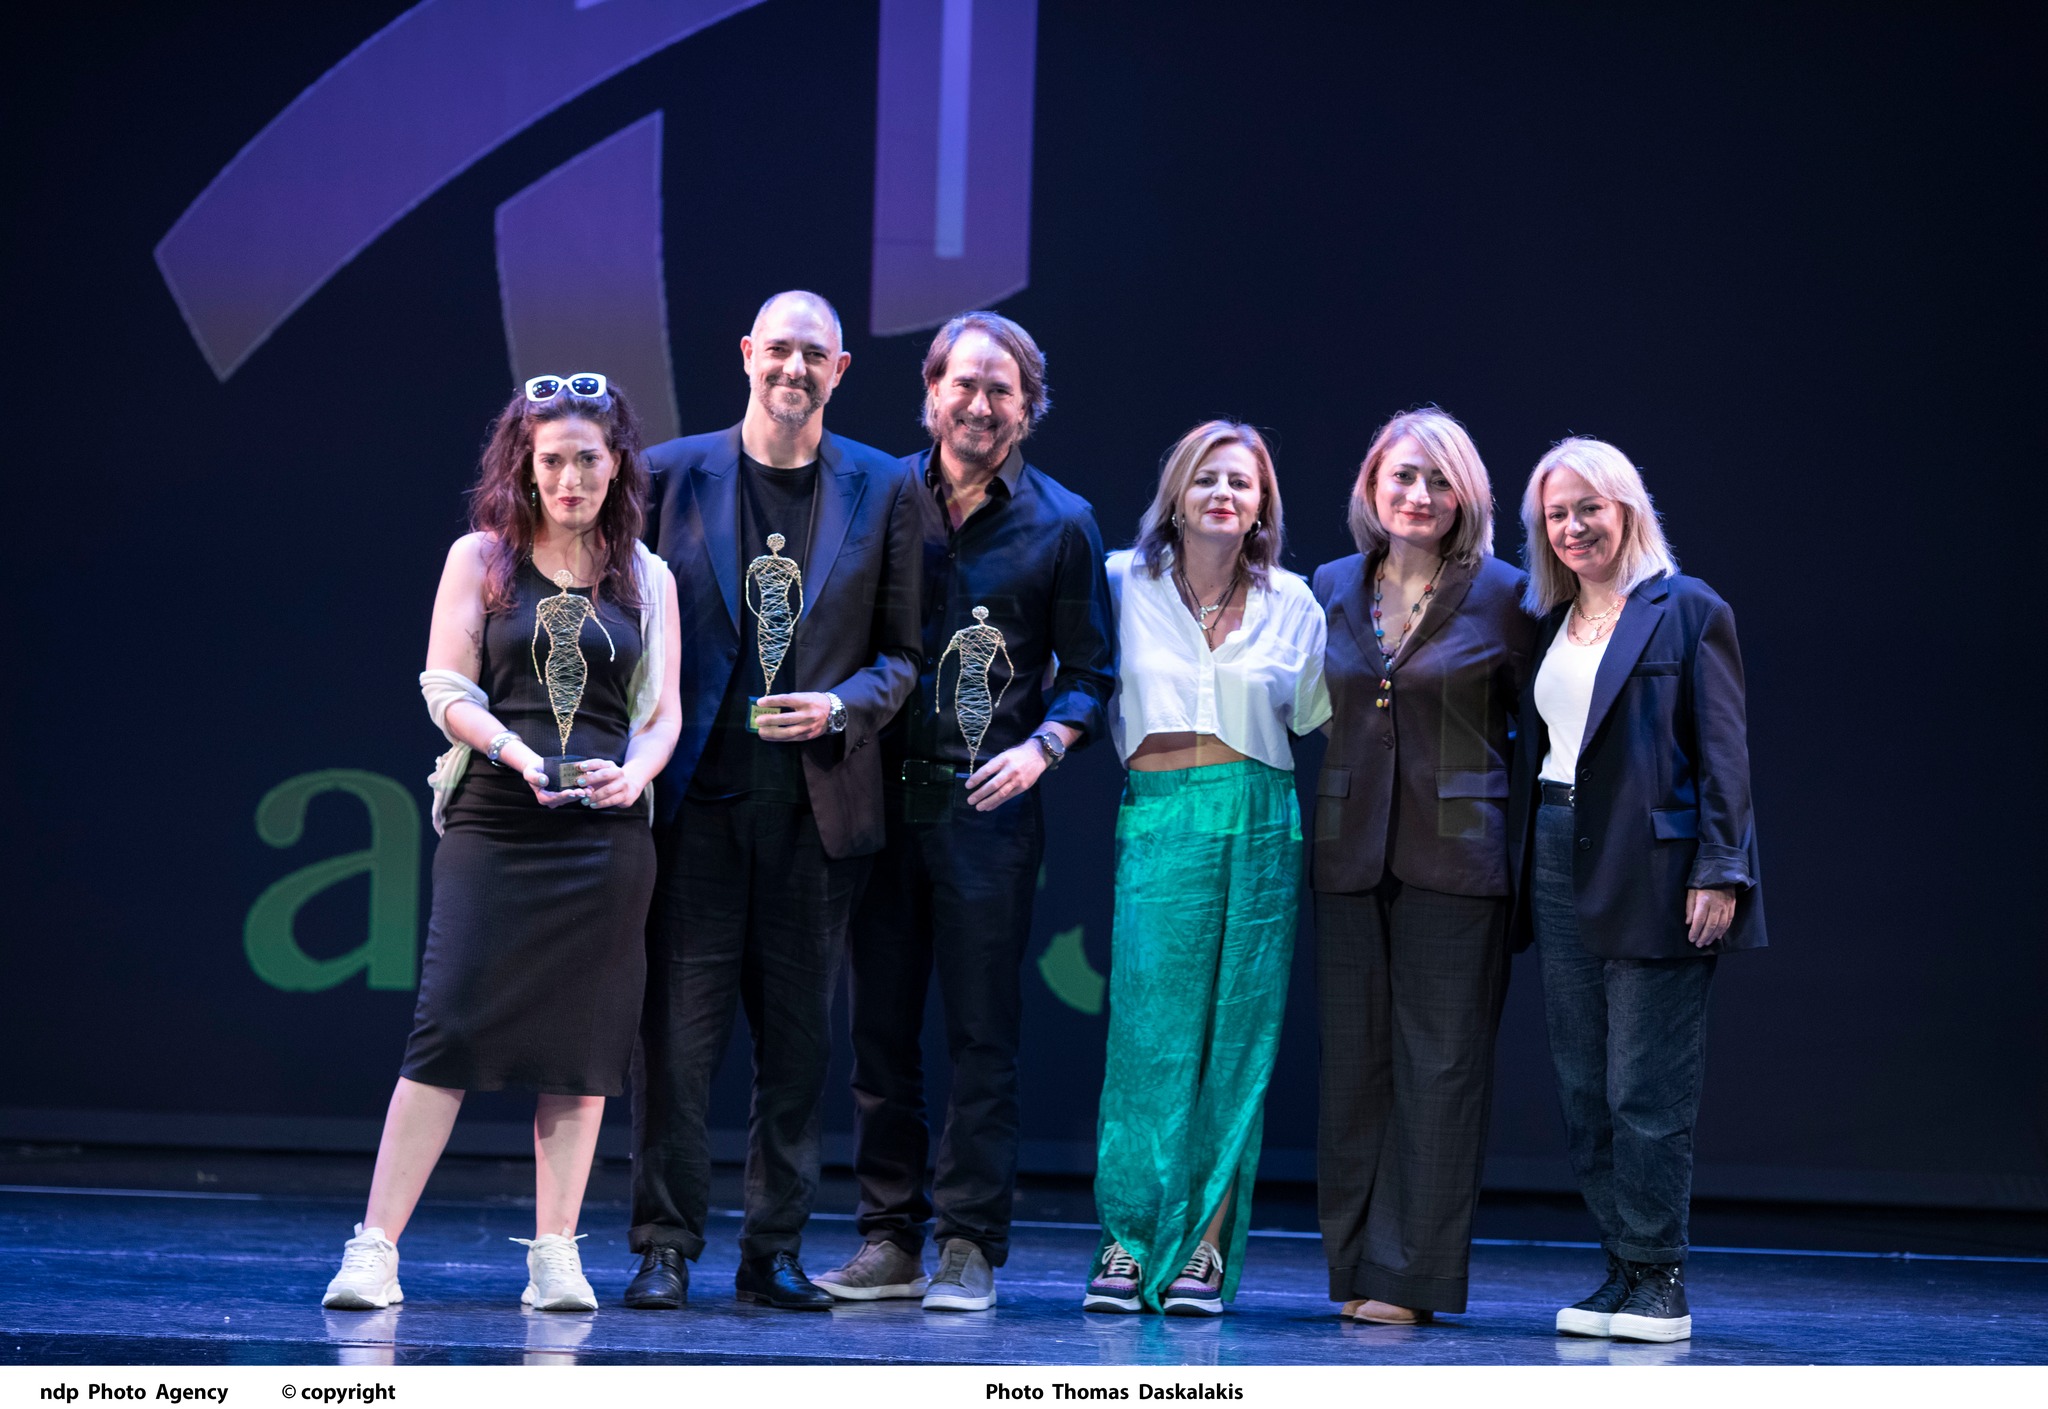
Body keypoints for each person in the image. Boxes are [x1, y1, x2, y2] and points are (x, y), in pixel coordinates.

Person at [322, 374, 681, 1313]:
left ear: (616, 464)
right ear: (524, 465)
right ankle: (374, 1248)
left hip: (604, 831)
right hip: (497, 811)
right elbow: (445, 686)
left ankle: (556, 1251)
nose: (570, 479)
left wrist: (634, 774)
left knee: (584, 1049)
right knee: (445, 1028)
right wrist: (516, 754)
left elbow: (662, 714)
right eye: (551, 460)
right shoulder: (481, 558)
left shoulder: (647, 575)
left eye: (587, 460)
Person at [626, 291, 923, 1311]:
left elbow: (904, 655)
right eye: (780, 349)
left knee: (798, 1050)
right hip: (693, 810)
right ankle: (664, 1246)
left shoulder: (885, 485)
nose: (794, 368)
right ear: (748, 353)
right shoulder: (668, 473)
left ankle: (772, 1251)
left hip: (816, 813)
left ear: (840, 370)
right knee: (676, 1045)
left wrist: (840, 704)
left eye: (815, 354)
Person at [814, 313, 1115, 1312]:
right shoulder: (875, 495)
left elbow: (1091, 674)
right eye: (964, 384)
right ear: (931, 392)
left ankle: (968, 1244)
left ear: (1027, 407)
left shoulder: (1063, 522)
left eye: (1001, 389)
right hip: (875, 802)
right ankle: (888, 1239)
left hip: (985, 814)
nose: (980, 404)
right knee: (879, 1034)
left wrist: (1044, 745)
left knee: (983, 1037)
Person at [1506, 436, 1765, 1344]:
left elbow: (1724, 752)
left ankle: (1660, 1278)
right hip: (1556, 848)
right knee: (1583, 1083)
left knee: (1643, 1086)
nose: (1573, 526)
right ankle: (1620, 1264)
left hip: (1653, 866)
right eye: (1557, 513)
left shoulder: (1686, 608)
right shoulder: (1549, 617)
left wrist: (1722, 868)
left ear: (1627, 509)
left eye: (1590, 507)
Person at [1084, 420, 1331, 1317]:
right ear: (1177, 496)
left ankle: (1207, 1246)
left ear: (1262, 505)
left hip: (1261, 817)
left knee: (1238, 1039)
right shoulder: (1120, 580)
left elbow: (1314, 718)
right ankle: (1127, 1237)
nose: (1224, 494)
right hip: (1160, 814)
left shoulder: (1296, 601)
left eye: (1242, 482)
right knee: (1148, 1038)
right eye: (1207, 479)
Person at [1310, 408, 1536, 1326]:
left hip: (1458, 857)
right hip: (1348, 852)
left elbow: (1538, 732)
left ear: (1466, 496)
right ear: (1373, 484)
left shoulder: (1508, 595)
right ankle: (1356, 1261)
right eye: (1404, 475)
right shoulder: (1331, 583)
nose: (1419, 493)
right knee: (1352, 1066)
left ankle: (1411, 1277)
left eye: (1440, 480)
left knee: (1440, 1069)